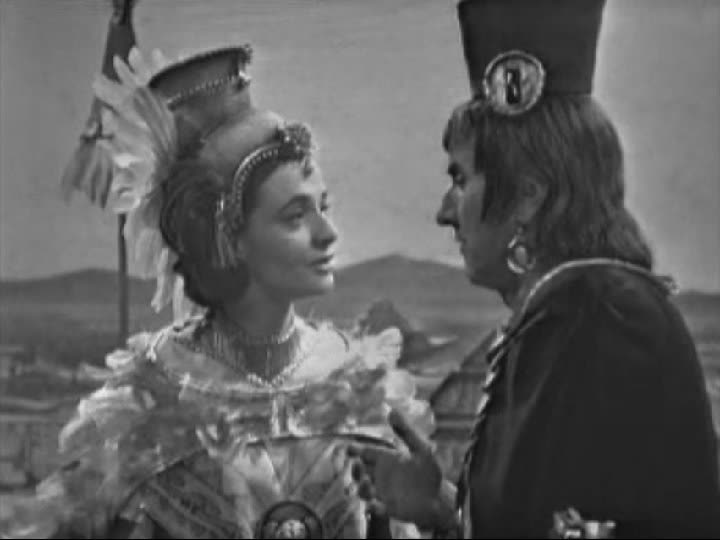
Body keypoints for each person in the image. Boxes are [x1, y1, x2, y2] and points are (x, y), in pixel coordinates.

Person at [1, 45, 432, 539]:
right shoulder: (152, 396)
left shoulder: (356, 386)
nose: (328, 233)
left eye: (324, 207)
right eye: (295, 216)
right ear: (230, 239)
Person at [349, 0, 720, 537]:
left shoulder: (608, 323)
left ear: (529, 195)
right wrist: (442, 508)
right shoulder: (565, 316)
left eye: (461, 180)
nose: (445, 212)